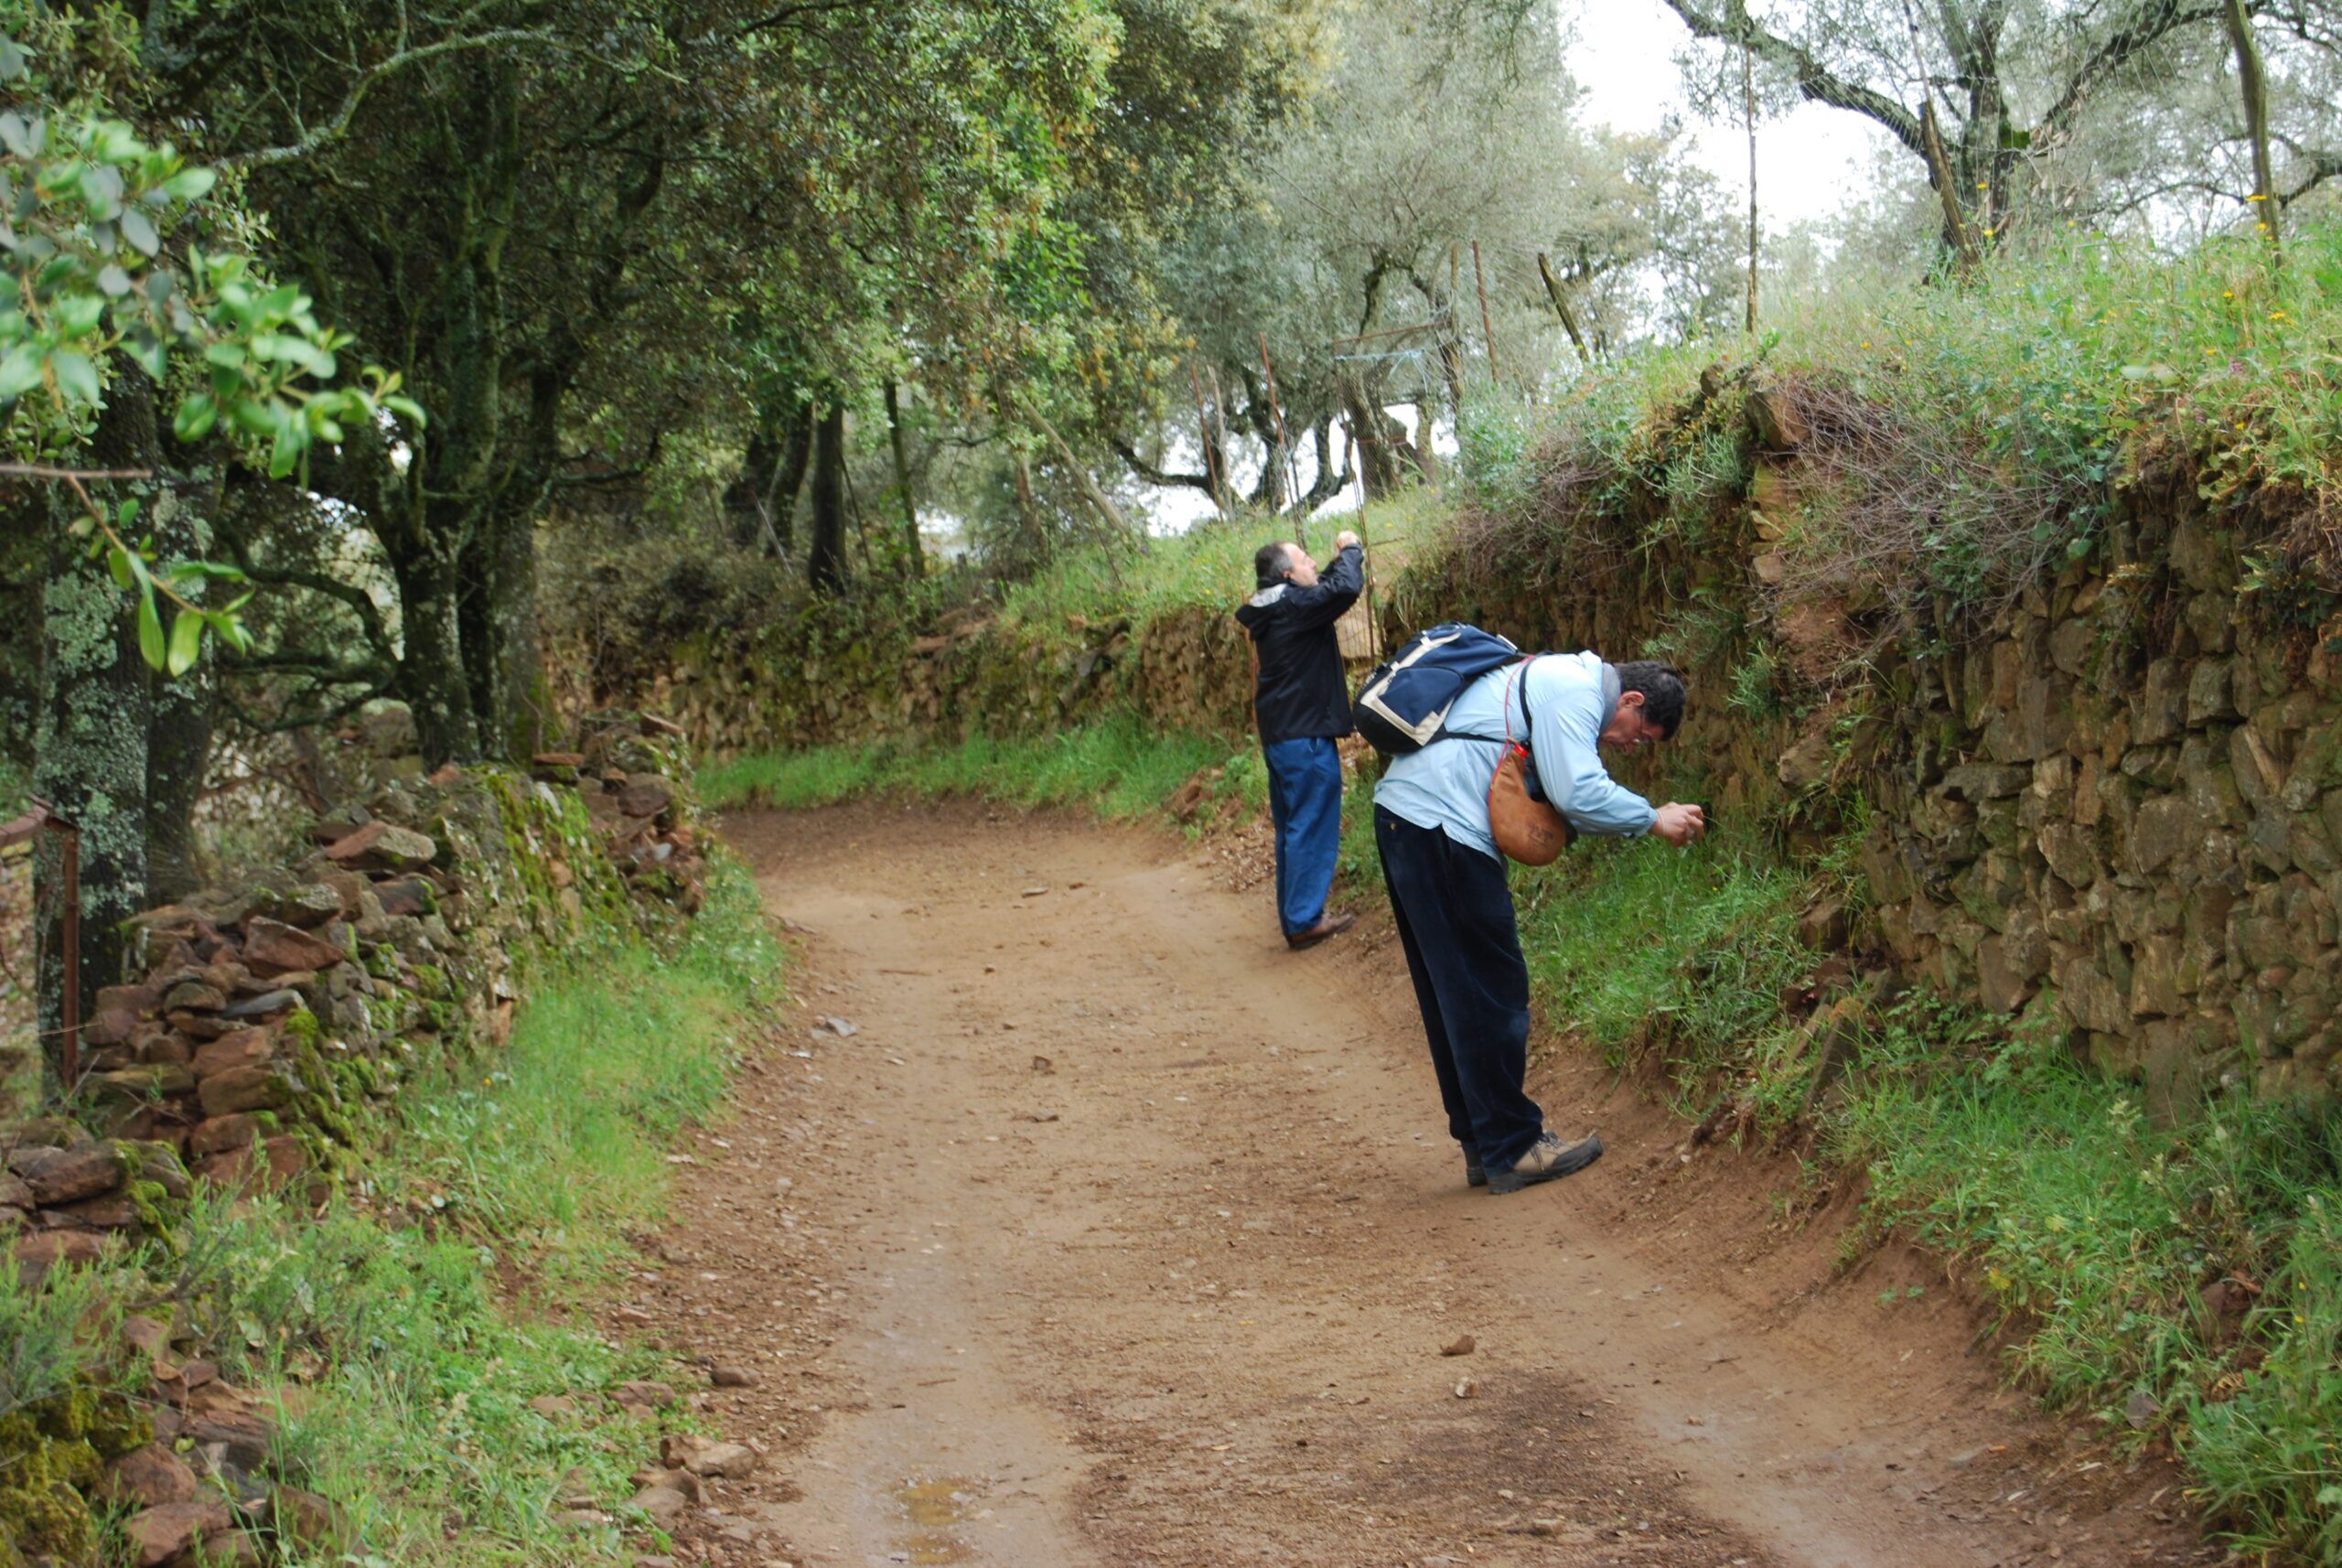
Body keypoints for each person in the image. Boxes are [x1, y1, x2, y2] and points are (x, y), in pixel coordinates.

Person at [1373, 652, 1703, 1194]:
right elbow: (1579, 792)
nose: (1628, 747)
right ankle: (1513, 1147)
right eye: (1639, 736)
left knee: (1455, 994)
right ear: (1631, 701)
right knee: (1492, 992)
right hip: (1441, 829)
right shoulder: (1573, 689)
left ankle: (1485, 1143)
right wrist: (1652, 817)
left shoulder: (1554, 677)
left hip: (1408, 820)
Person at [1235, 530, 1365, 950]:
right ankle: (1306, 920)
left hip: (1282, 737)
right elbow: (1344, 587)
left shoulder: (1277, 605)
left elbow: (1320, 588)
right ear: (1288, 574)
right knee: (1311, 824)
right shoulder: (1294, 605)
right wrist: (1350, 550)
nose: (1314, 564)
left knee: (1294, 827)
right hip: (1305, 737)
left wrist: (1330, 563)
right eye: (1306, 560)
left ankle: (1297, 917)